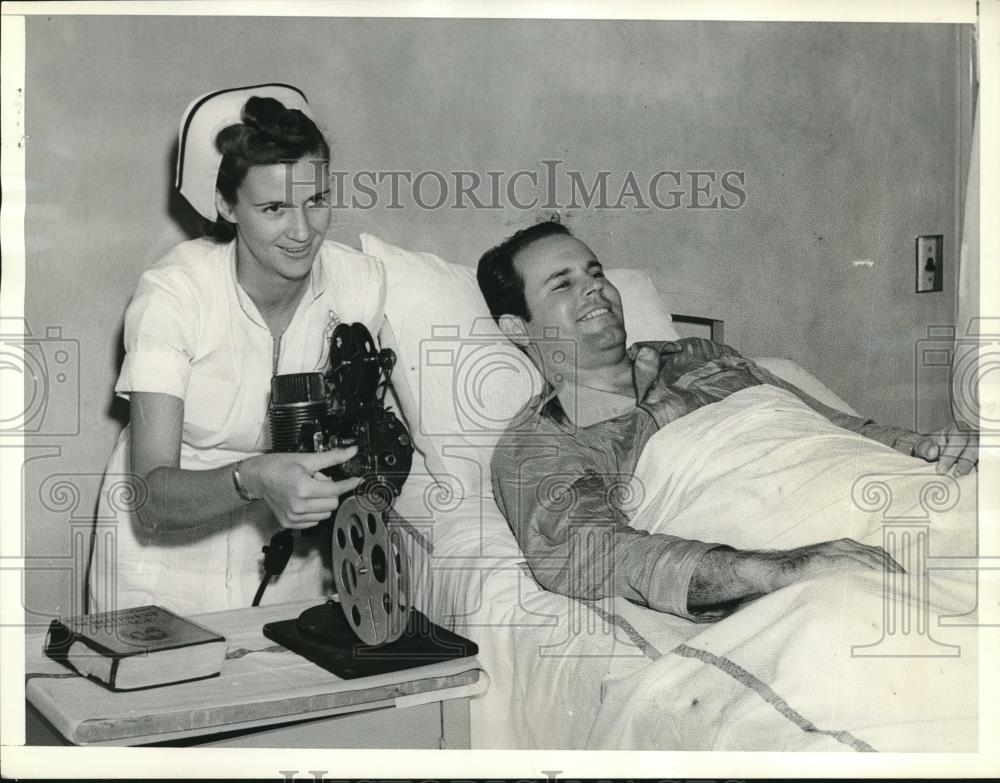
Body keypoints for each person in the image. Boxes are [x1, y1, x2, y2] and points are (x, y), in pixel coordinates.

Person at [477, 220, 978, 621]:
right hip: (810, 538)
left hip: (901, 489)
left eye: (596, 273)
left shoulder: (699, 353)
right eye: (563, 285)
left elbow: (831, 424)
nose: (595, 291)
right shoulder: (546, 440)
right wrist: (774, 570)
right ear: (518, 328)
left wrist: (922, 446)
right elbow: (591, 552)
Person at [88, 84, 386, 615]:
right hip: (160, 563)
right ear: (227, 205)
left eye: (316, 200)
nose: (302, 231)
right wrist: (254, 476)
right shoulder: (174, 295)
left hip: (285, 559)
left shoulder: (360, 285)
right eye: (274, 207)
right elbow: (151, 498)